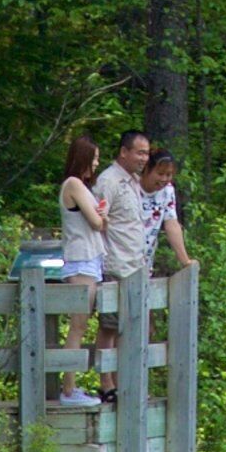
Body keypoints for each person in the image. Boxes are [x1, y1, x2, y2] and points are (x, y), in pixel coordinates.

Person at [92, 133, 157, 400]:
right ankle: (106, 384)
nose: (144, 158)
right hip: (114, 265)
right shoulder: (108, 181)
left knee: (129, 329)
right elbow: (97, 220)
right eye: (139, 152)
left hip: (135, 268)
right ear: (123, 152)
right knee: (109, 326)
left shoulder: (134, 182)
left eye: (146, 153)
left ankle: (123, 383)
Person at [52, 134, 107, 408]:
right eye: (93, 158)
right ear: (82, 157)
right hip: (81, 259)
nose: (96, 164)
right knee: (78, 325)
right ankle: (68, 390)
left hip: (90, 259)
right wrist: (103, 216)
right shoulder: (73, 184)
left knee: (82, 324)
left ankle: (71, 386)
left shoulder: (82, 186)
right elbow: (97, 222)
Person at [139, 149, 196, 279]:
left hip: (145, 265)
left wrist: (185, 261)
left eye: (168, 174)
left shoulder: (168, 191)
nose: (164, 179)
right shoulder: (130, 186)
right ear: (147, 169)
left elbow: (172, 224)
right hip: (119, 262)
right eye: (160, 174)